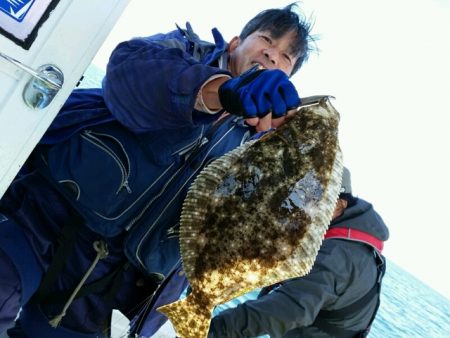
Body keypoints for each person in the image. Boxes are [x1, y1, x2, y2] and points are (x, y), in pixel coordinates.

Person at [0, 3, 315, 338]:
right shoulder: (181, 51)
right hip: (44, 222)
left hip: (114, 290)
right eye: (267, 39)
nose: (271, 55)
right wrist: (220, 92)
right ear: (237, 43)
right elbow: (126, 71)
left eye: (285, 58)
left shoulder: (268, 142)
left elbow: (259, 226)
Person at [206, 167, 390, 338]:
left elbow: (289, 309)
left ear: (339, 205)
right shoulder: (345, 235)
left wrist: (214, 330)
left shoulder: (337, 255)